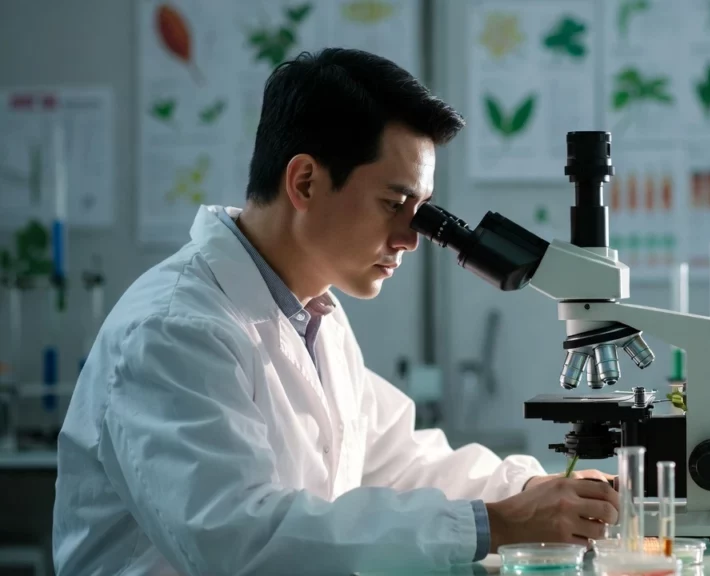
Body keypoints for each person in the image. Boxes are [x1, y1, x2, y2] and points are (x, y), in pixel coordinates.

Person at [52, 48, 618, 576]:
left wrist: (533, 489)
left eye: (422, 212)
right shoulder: (175, 329)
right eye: (395, 205)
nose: (411, 238)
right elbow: (238, 539)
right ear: (304, 181)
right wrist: (495, 525)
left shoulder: (313, 316)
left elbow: (397, 462)